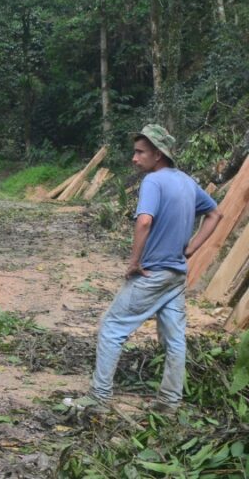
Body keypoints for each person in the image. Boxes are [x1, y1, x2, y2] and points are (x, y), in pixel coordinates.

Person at [87, 124, 222, 412]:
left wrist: (134, 262)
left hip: (153, 273)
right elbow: (215, 213)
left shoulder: (153, 182)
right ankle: (170, 403)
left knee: (112, 328)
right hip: (176, 275)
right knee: (175, 339)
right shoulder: (187, 182)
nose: (134, 158)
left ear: (158, 155)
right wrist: (191, 248)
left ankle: (99, 399)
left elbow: (145, 221)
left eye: (140, 152)